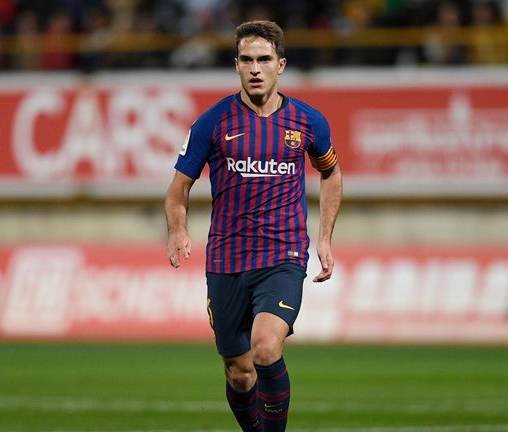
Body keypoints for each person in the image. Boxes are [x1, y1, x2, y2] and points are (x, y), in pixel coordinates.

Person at [164, 20, 343, 431]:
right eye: (247, 60)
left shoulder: (308, 122)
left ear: (281, 65)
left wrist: (325, 237)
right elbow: (178, 189)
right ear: (237, 65)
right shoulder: (213, 123)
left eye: (264, 59)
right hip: (227, 261)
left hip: (284, 256)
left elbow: (332, 174)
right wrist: (177, 229)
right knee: (239, 371)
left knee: (265, 349)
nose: (256, 68)